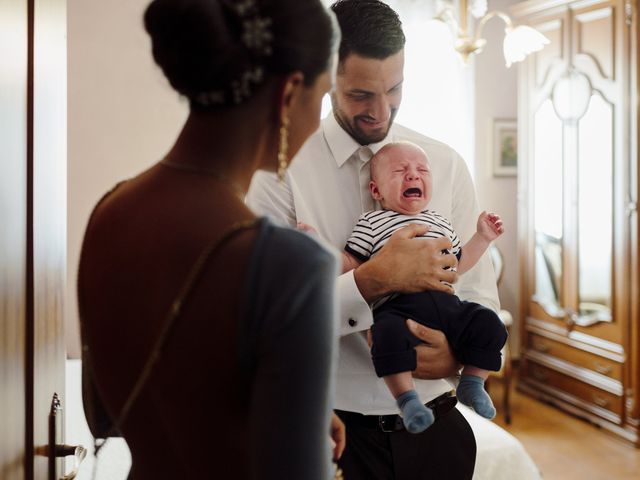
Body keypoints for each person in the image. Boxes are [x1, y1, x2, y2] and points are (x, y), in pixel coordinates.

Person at [77, 1, 345, 479]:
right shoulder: (288, 264)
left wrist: (290, 413)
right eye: (323, 98)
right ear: (289, 95)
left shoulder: (110, 212)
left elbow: (151, 399)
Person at [247, 0, 501, 478]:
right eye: (361, 94)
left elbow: (478, 292)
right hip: (334, 435)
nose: (381, 111)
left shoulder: (444, 164)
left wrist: (456, 356)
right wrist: (370, 281)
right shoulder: (277, 171)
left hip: (439, 430)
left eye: (395, 89)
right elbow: (267, 319)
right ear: (326, 78)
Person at [340, 142, 508, 433]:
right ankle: (407, 400)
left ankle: (473, 382)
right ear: (376, 191)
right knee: (384, 335)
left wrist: (482, 238)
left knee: (490, 323)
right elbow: (353, 263)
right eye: (400, 170)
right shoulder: (371, 222)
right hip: (399, 306)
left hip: (448, 305)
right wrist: (318, 247)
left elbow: (458, 264)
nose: (413, 176)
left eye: (422, 171)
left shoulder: (440, 222)